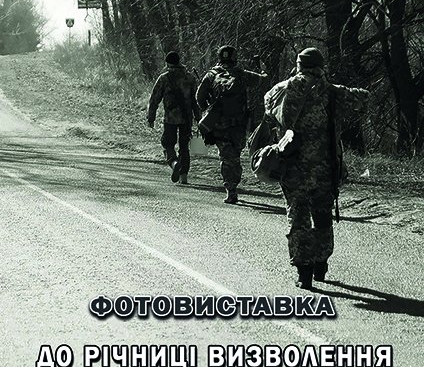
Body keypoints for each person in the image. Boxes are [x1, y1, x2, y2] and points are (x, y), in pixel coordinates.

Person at [264, 47, 369, 289]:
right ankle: (321, 263)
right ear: (321, 67)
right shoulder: (333, 92)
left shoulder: (280, 90)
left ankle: (304, 272)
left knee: (298, 215)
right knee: (322, 215)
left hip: (293, 167)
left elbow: (268, 111)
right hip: (325, 167)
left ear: (298, 65)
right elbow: (364, 99)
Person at [196, 45, 268, 204]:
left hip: (219, 124)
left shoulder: (211, 75)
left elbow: (199, 97)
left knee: (225, 156)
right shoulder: (241, 74)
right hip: (239, 123)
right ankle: (233, 185)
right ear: (234, 58)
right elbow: (263, 80)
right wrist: (262, 69)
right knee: (235, 155)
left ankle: (231, 189)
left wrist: (209, 111)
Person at [147, 51, 201, 184]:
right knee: (184, 146)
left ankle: (174, 162)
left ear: (167, 63)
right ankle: (184, 176)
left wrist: (151, 117)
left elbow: (154, 99)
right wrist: (198, 117)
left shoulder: (164, 78)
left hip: (170, 118)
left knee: (167, 143)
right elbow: (196, 100)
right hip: (187, 118)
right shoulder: (190, 78)